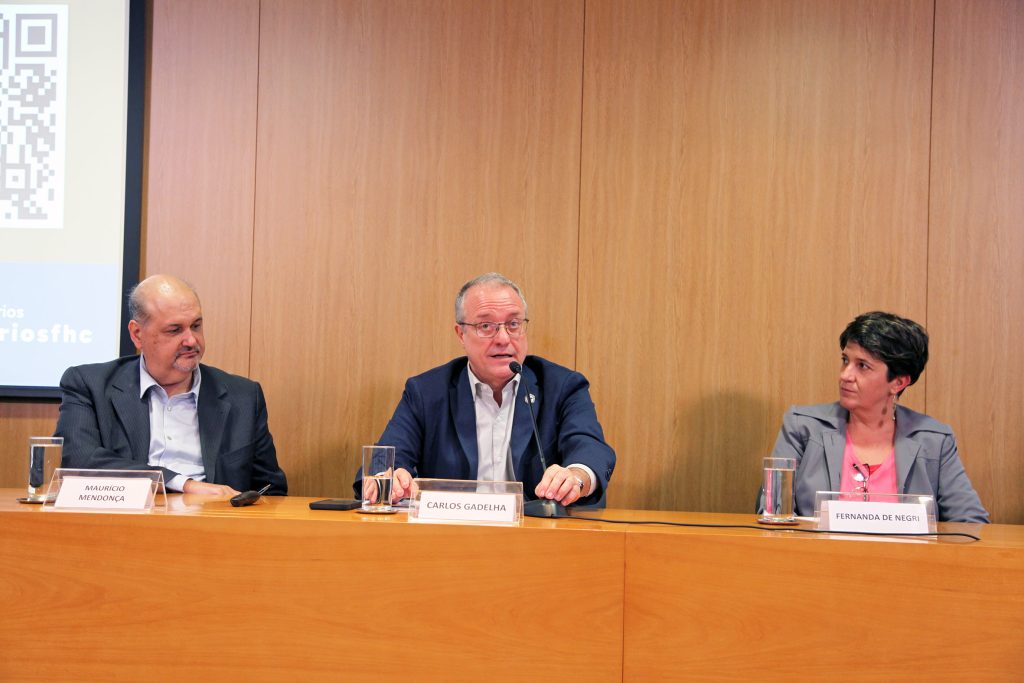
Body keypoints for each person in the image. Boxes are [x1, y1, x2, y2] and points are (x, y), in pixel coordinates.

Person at [355, 273, 615, 507]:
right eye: (486, 326)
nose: (503, 338)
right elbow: (383, 460)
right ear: (461, 334)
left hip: (537, 540)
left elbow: (591, 450)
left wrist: (576, 477)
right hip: (451, 540)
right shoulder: (426, 391)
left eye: (513, 324)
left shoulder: (562, 386)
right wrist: (387, 479)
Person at [55, 274, 287, 495]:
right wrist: (183, 484)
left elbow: (270, 489)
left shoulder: (243, 397)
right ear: (137, 334)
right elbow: (79, 460)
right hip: (124, 525)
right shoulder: (90, 385)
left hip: (212, 528)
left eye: (196, 326)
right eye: (175, 330)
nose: (191, 340)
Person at [763, 311, 987, 523]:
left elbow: (971, 523)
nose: (845, 375)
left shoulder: (935, 441)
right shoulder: (803, 427)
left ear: (898, 382)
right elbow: (772, 512)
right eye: (845, 360)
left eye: (862, 366)